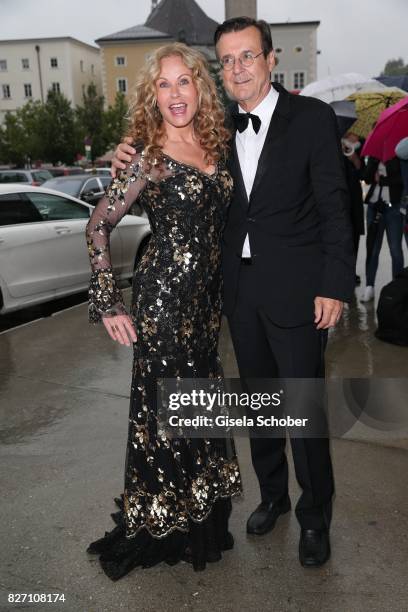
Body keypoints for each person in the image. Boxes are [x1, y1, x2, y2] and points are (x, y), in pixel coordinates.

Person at [112, 18, 355, 568]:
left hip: (299, 293)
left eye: (248, 56)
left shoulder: (311, 119)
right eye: (227, 60)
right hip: (237, 295)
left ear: (271, 59)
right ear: (218, 71)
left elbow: (334, 208)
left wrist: (334, 284)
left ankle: (315, 517)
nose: (238, 68)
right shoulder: (215, 126)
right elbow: (162, 150)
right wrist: (124, 152)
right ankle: (273, 497)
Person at [85, 42, 242, 581]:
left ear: (200, 86)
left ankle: (202, 518)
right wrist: (109, 303)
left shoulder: (217, 144)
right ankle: (172, 526)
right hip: (163, 305)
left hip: (204, 309)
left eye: (184, 82)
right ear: (153, 95)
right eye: (164, 84)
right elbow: (98, 225)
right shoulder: (148, 157)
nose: (176, 94)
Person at [361, 155, 405, 302]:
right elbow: (366, 177)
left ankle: (397, 287)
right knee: (372, 248)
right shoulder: (374, 156)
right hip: (375, 206)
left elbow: (402, 180)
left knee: (395, 250)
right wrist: (373, 168)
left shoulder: (399, 157)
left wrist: (384, 179)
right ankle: (369, 286)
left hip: (394, 208)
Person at [341, 132, 366, 284]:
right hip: (338, 198)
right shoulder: (329, 141)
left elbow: (363, 173)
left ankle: (351, 271)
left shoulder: (360, 143)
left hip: (354, 198)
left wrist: (354, 158)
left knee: (354, 236)